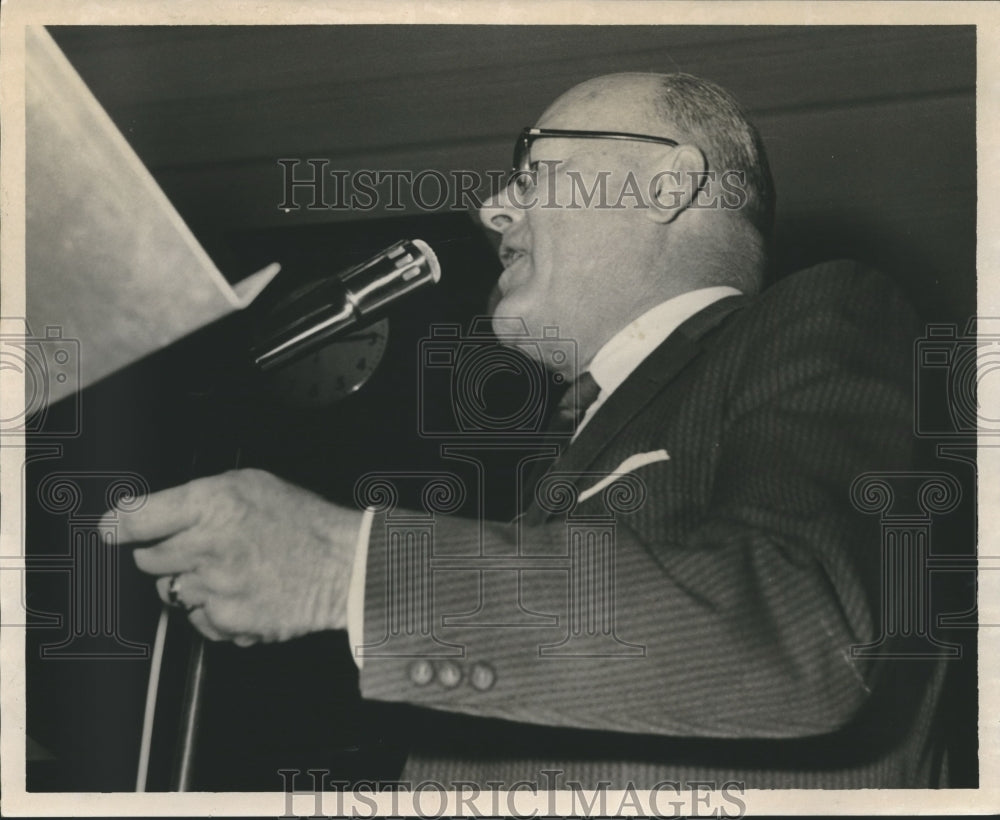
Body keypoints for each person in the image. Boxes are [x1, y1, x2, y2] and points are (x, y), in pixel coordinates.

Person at [107, 73, 948, 788]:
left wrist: (343, 573)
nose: (491, 208)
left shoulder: (827, 315)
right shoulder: (561, 453)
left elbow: (809, 631)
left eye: (532, 166)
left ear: (668, 184)